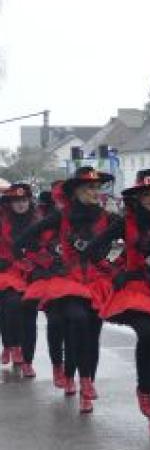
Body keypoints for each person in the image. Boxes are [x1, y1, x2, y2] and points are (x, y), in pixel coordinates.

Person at [89, 170, 150, 441]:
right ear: (138, 198)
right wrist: (113, 271)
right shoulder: (126, 222)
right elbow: (94, 249)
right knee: (147, 333)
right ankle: (144, 389)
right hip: (136, 290)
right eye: (148, 195)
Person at [15, 167, 117, 411]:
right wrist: (43, 260)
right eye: (89, 188)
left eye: (97, 188)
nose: (95, 192)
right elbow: (24, 240)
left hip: (97, 282)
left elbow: (138, 243)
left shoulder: (109, 218)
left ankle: (85, 384)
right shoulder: (61, 216)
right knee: (76, 321)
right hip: (68, 280)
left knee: (91, 334)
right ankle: (70, 373)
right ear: (76, 192)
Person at [22, 187, 65, 384]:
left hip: (64, 279)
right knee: (32, 319)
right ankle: (28, 360)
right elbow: (24, 248)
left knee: (61, 322)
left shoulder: (73, 223)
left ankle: (62, 366)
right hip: (37, 277)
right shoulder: (39, 224)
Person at [0, 184, 39, 377]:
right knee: (10, 305)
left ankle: (28, 360)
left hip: (33, 273)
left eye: (24, 200)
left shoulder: (39, 221)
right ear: (9, 204)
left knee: (30, 317)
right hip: (8, 272)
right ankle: (11, 344)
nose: (21, 204)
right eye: (16, 201)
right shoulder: (2, 222)